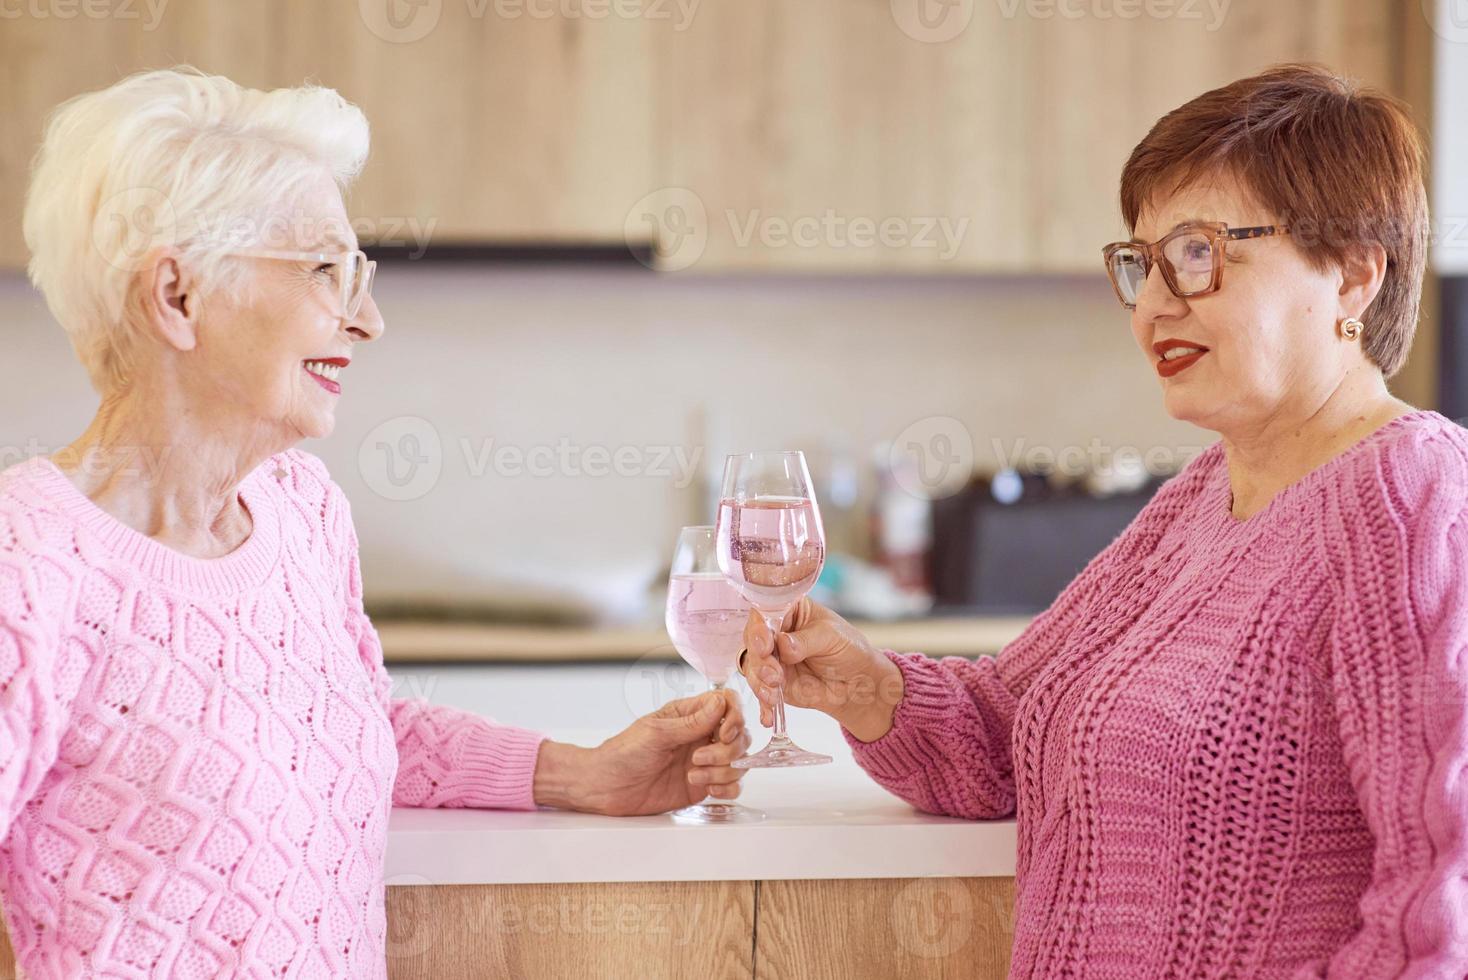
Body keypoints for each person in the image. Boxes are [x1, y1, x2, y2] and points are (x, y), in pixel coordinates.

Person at [0, 67, 749, 979]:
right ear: (178, 297)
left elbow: (343, 721)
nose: (369, 320)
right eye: (328, 270)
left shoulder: (302, 511)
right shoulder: (28, 562)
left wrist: (585, 772)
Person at [741, 65, 1468, 977]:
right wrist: (864, 687)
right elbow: (1004, 743)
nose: (1155, 304)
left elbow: (1440, 917)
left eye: (1199, 253)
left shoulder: (1412, 498)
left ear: (1355, 273)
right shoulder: (1195, 502)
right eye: (1142, 262)